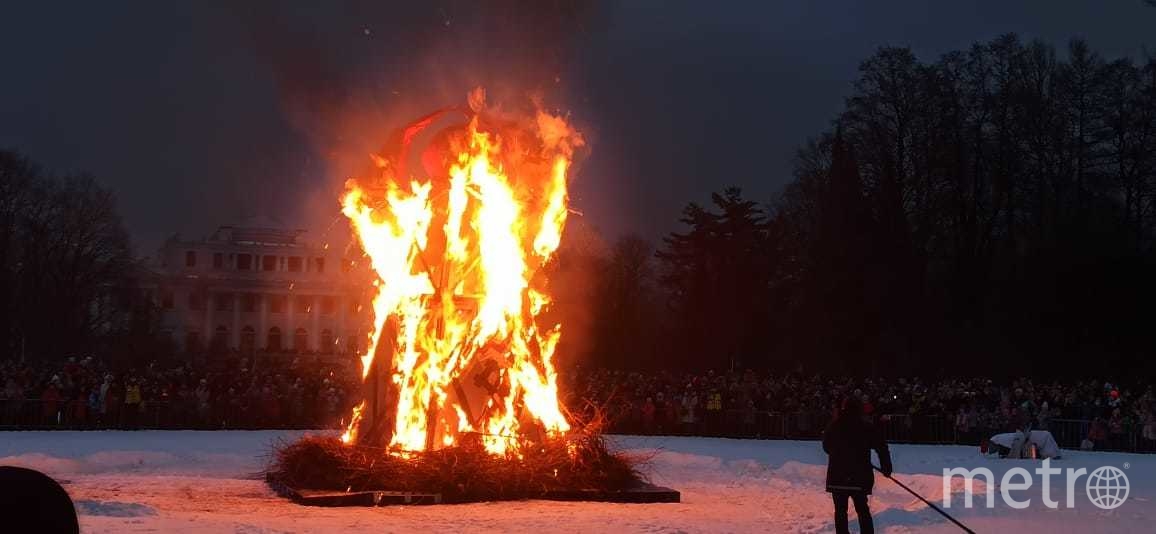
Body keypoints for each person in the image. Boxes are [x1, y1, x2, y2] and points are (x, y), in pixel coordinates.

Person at [823, 397, 893, 534]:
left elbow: (826, 447)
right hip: (859, 477)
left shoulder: (834, 425)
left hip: (837, 477)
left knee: (840, 511)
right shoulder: (865, 427)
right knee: (862, 510)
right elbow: (881, 447)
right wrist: (886, 468)